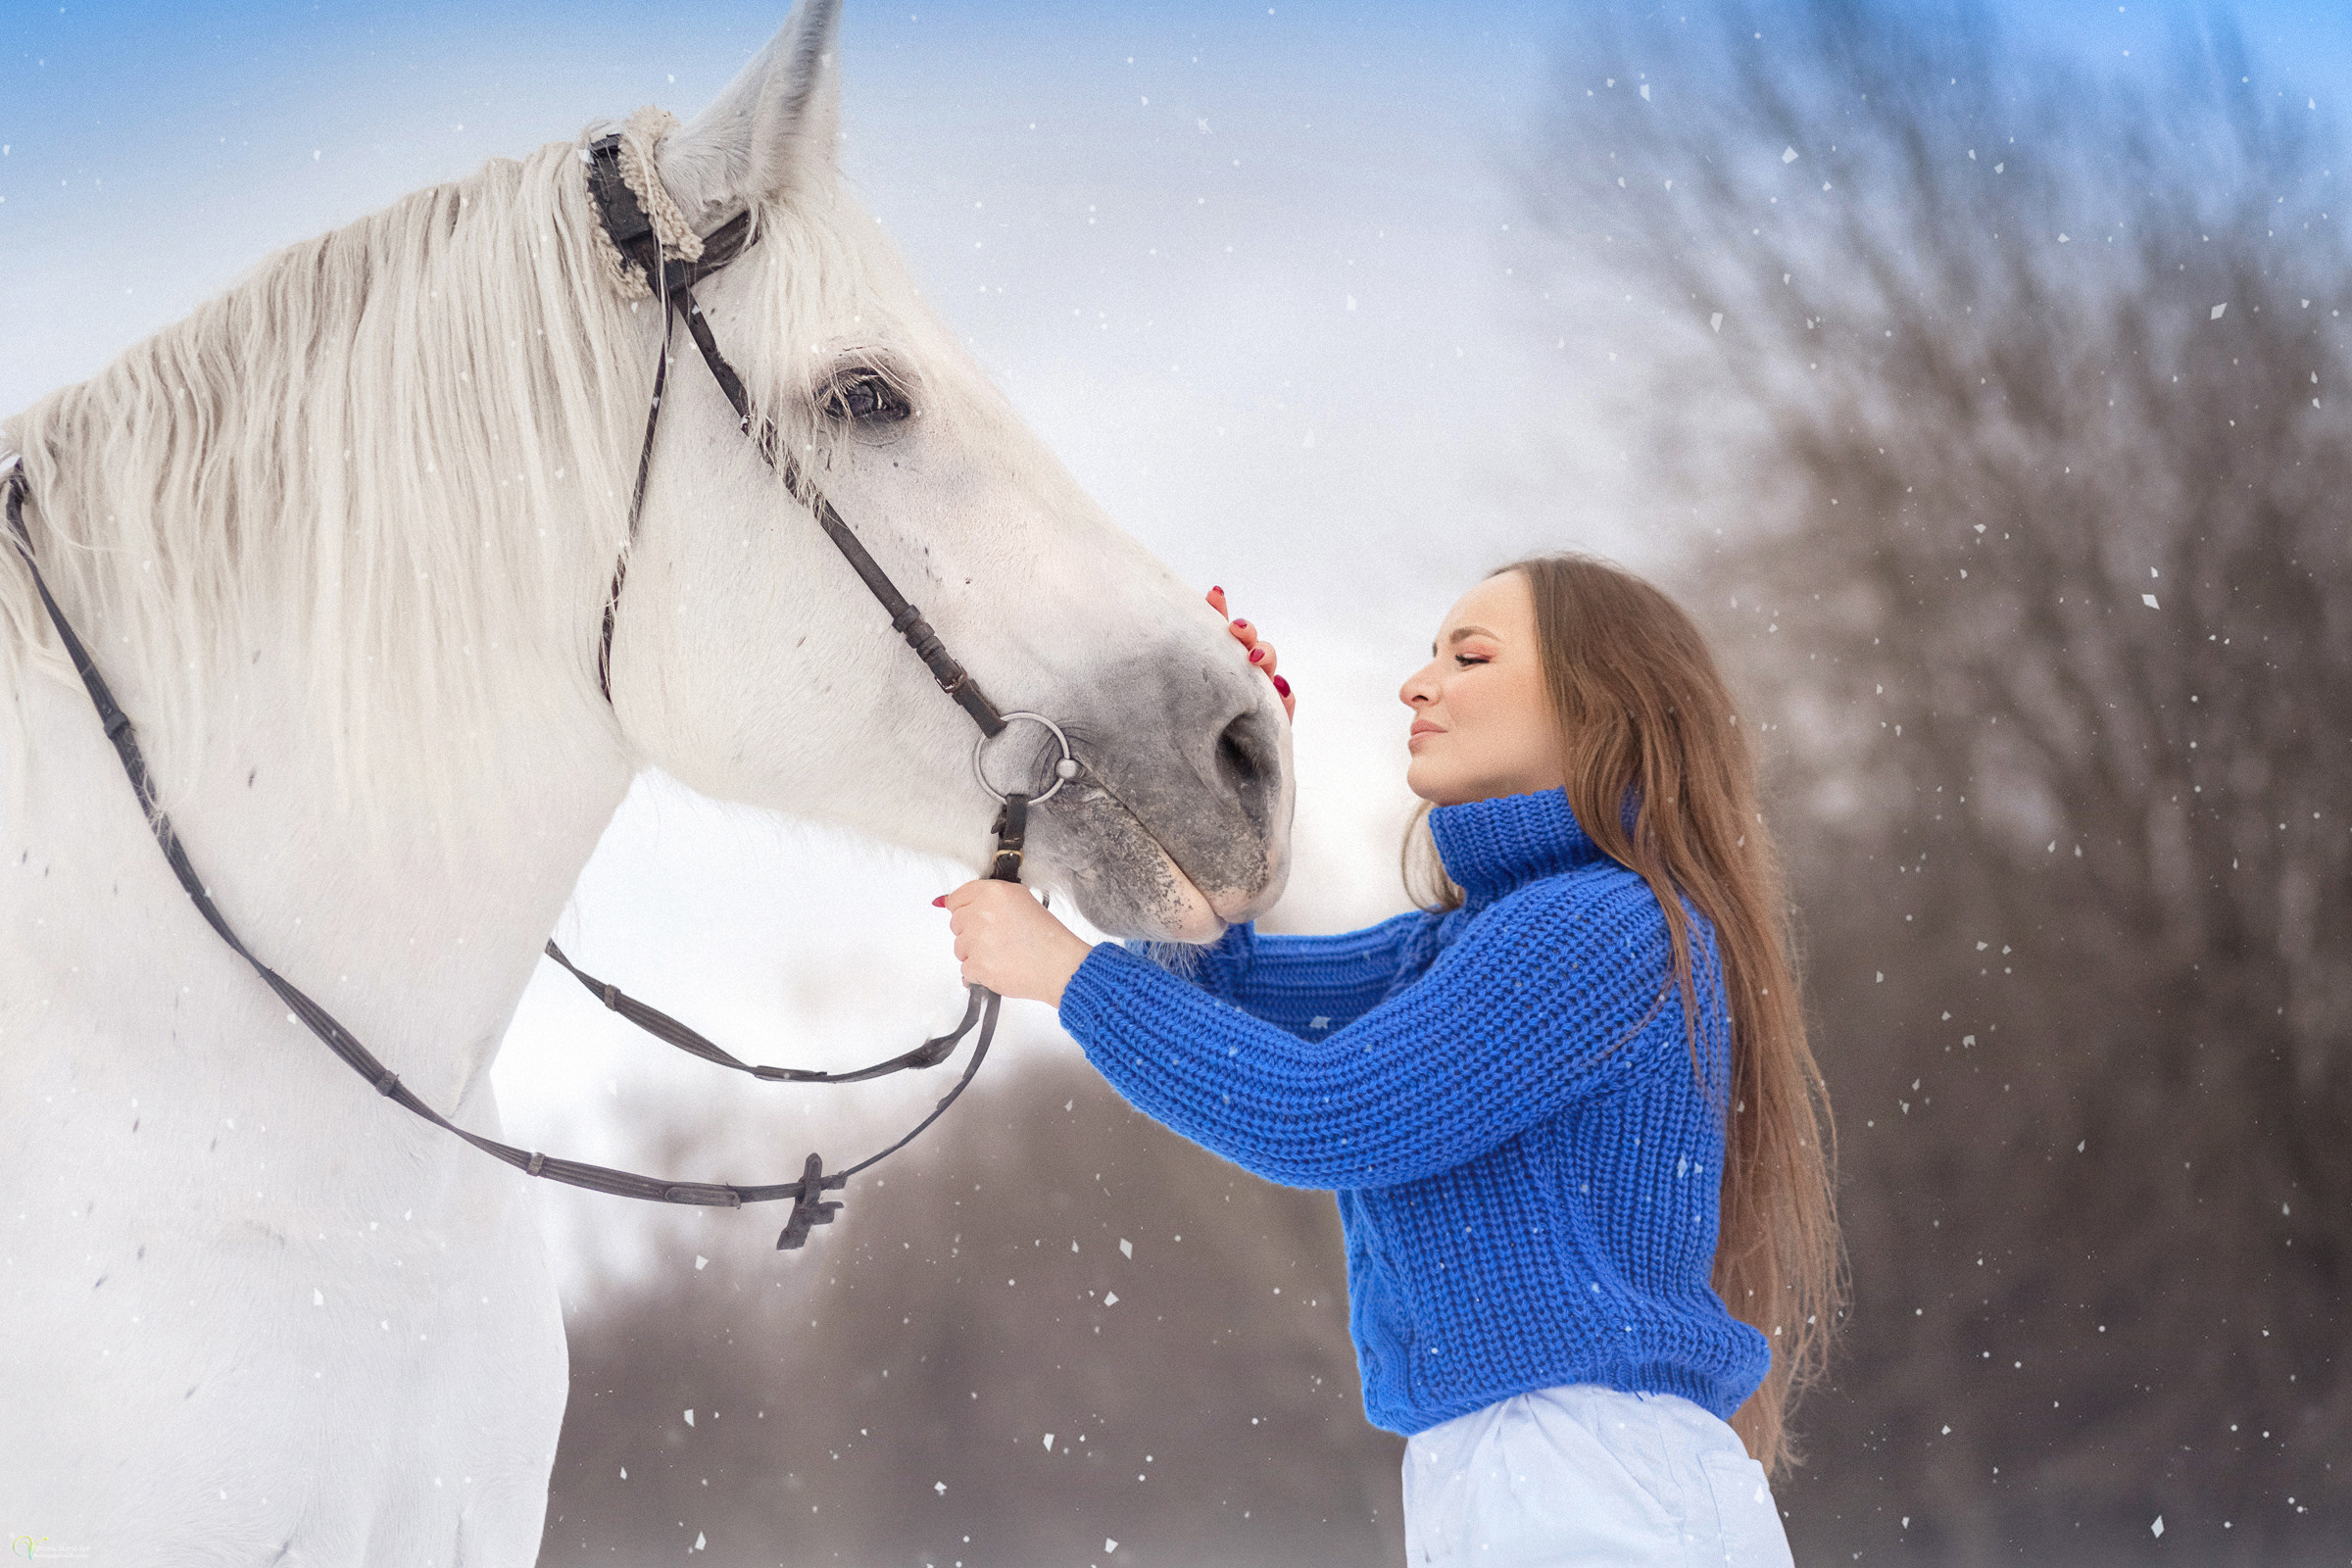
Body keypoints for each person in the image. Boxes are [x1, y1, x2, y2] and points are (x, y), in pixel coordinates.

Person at [937, 556, 1838, 1566]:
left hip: (1590, 1479)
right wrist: (1230, 761)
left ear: (1604, 706)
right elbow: (1214, 995)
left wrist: (1066, 973)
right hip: (1510, 1473)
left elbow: (1327, 1112)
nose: (1419, 682)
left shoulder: (1605, 928)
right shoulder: (1463, 943)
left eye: (1471, 654)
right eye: (1430, 653)